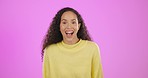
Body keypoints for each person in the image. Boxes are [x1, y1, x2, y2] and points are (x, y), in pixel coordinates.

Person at [42, 7, 104, 78]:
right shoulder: (50, 51)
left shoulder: (92, 49)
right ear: (59, 26)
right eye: (64, 22)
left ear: (79, 26)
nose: (69, 26)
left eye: (73, 22)